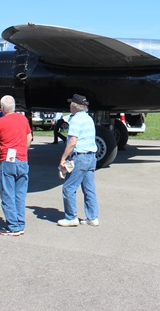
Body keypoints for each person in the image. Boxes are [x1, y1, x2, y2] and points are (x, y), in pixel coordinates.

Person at [0, 95, 32, 236]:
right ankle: (21, 223)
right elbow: (29, 137)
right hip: (22, 159)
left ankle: (13, 226)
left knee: (8, 194)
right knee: (20, 195)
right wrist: (23, 150)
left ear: (2, 108)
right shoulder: (23, 119)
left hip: (8, 160)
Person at [58, 94, 99, 227]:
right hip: (91, 157)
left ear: (75, 106)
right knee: (89, 189)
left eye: (71, 104)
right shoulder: (88, 118)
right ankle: (92, 217)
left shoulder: (75, 120)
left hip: (80, 157)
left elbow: (72, 142)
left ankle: (71, 217)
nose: (69, 105)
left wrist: (63, 158)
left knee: (68, 188)